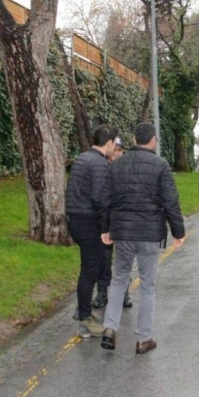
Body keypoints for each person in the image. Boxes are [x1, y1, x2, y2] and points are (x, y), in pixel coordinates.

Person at [100, 123, 185, 355]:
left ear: (134, 139)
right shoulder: (160, 165)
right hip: (149, 233)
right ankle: (143, 339)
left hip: (123, 233)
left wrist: (105, 228)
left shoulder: (116, 165)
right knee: (147, 285)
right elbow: (170, 201)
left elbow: (106, 199)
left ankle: (109, 328)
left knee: (119, 279)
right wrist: (178, 231)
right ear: (153, 140)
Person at [65, 124, 118, 337]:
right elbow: (100, 198)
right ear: (109, 143)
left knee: (89, 267)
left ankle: (84, 311)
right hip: (89, 223)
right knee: (90, 269)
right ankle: (84, 319)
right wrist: (106, 228)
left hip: (76, 220)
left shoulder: (82, 159)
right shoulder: (99, 164)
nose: (115, 147)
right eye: (115, 143)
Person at [91, 137, 133, 310]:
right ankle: (102, 291)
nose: (117, 154)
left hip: (123, 220)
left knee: (125, 259)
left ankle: (125, 292)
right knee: (104, 259)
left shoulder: (128, 169)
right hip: (104, 221)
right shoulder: (101, 168)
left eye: (120, 150)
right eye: (114, 150)